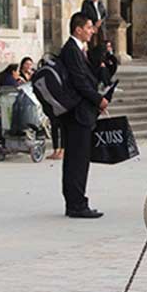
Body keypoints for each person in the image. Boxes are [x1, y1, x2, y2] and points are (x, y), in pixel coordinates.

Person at [58, 13, 110, 218]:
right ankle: (76, 204)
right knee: (76, 160)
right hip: (77, 114)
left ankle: (77, 201)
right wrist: (99, 100)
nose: (92, 31)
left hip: (82, 112)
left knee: (79, 159)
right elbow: (80, 82)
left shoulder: (79, 50)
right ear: (78, 29)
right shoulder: (71, 50)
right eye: (88, 27)